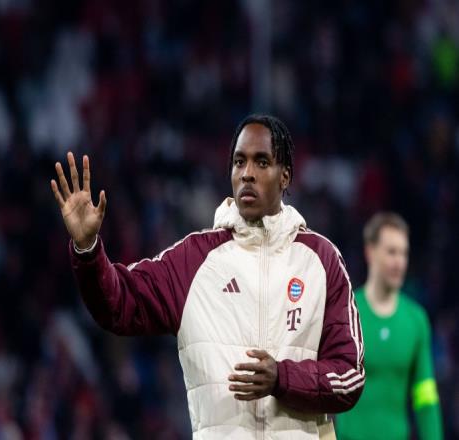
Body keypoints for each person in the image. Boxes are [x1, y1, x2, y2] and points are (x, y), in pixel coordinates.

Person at [51, 114, 364, 439]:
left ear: (285, 176)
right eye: (239, 162)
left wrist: (281, 378)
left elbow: (350, 376)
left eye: (261, 162)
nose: (247, 173)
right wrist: (87, 249)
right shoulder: (193, 260)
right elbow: (117, 304)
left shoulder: (321, 260)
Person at [335, 212, 443, 440]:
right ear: (370, 252)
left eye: (404, 253)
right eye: (392, 252)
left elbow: (425, 395)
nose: (400, 262)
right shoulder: (345, 313)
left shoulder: (416, 320)